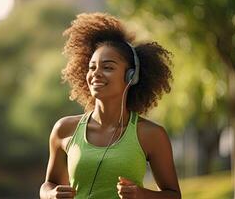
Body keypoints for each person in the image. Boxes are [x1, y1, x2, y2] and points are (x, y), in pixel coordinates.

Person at [39, 12, 181, 199]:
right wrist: (50, 194)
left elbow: (173, 195)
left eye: (108, 67)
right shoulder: (64, 129)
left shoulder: (151, 135)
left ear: (131, 76)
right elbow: (48, 184)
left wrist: (142, 195)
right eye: (92, 67)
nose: (96, 74)